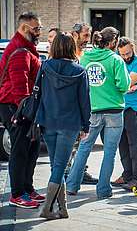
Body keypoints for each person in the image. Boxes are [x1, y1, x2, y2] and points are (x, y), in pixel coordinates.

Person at [66, 27, 131, 199]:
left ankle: (72, 185)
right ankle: (103, 190)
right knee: (109, 152)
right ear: (113, 42)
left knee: (83, 149)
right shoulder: (116, 60)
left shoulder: (85, 57)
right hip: (114, 111)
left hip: (92, 111)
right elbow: (124, 86)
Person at [35, 33, 91, 219]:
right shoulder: (80, 71)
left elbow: (38, 94)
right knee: (59, 166)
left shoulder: (45, 67)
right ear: (70, 48)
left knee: (56, 166)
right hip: (70, 124)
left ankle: (63, 208)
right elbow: (84, 102)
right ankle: (47, 208)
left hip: (48, 122)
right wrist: (86, 125)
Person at [0, 11, 45, 209]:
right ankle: (17, 194)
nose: (39, 33)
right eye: (36, 29)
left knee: (31, 149)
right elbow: (20, 88)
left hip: (22, 107)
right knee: (20, 151)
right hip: (15, 107)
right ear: (25, 28)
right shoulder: (20, 51)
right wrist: (26, 113)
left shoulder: (27, 48)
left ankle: (27, 188)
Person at [112, 37, 137, 190]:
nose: (126, 57)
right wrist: (124, 87)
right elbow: (113, 83)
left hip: (134, 109)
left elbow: (125, 83)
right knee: (122, 144)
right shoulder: (119, 62)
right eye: (123, 54)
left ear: (133, 48)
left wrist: (123, 87)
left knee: (135, 144)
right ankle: (127, 174)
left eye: (128, 53)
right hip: (120, 107)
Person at [70, 22, 98, 184]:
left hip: (84, 107)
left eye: (89, 35)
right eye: (85, 35)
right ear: (75, 34)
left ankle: (81, 171)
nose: (88, 39)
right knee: (72, 144)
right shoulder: (70, 54)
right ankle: (69, 174)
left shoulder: (85, 54)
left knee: (82, 142)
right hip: (72, 108)